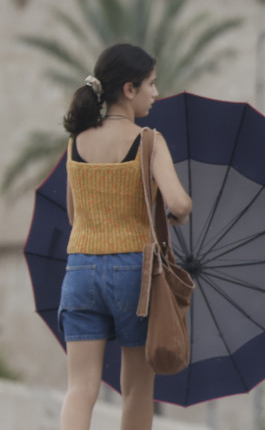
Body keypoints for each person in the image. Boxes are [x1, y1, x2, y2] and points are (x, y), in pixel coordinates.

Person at [59, 43, 192, 430]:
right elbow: (180, 204)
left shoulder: (75, 143)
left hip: (80, 268)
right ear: (129, 89)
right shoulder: (149, 141)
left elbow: (73, 214)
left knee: (80, 388)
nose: (156, 92)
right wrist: (173, 213)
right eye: (151, 84)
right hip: (134, 274)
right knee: (135, 389)